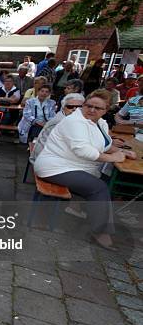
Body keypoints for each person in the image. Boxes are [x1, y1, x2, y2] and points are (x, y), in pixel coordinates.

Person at [34, 90, 137, 250]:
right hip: (54, 166)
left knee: (105, 183)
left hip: (73, 166)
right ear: (84, 105)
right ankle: (100, 233)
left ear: (106, 110)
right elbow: (83, 150)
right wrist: (113, 158)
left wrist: (122, 152)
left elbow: (104, 145)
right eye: (89, 106)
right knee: (99, 187)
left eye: (98, 108)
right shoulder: (74, 121)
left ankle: (101, 223)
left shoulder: (100, 123)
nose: (92, 110)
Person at [30, 92, 85, 164]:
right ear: (63, 108)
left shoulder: (77, 119)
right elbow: (44, 147)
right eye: (70, 107)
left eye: (79, 107)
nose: (74, 109)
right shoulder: (58, 122)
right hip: (47, 160)